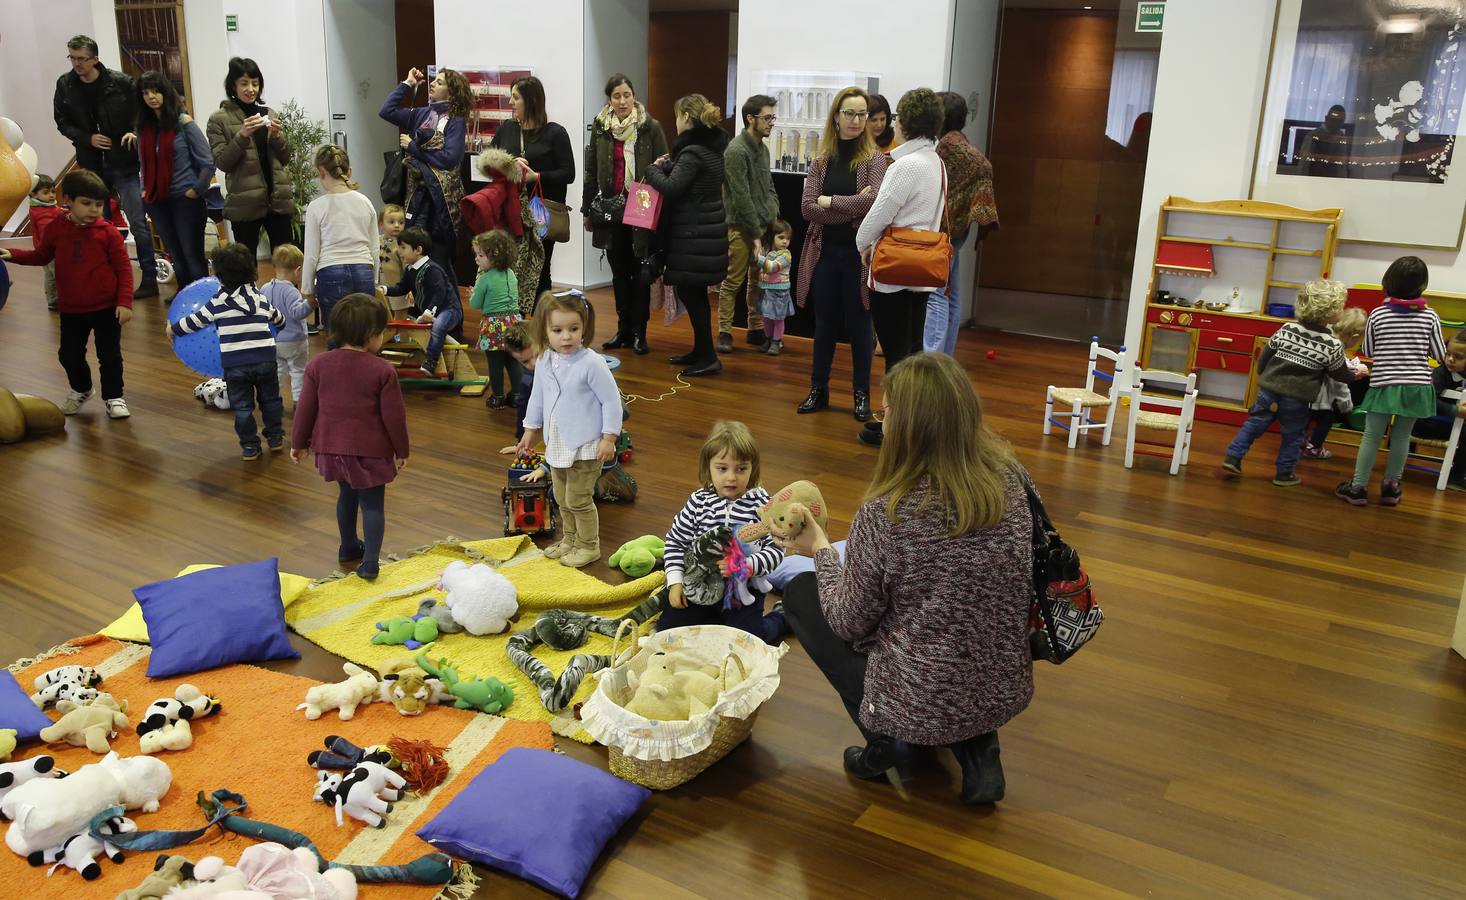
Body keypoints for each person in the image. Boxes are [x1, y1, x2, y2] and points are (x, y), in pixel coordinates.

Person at [773, 353, 1034, 804]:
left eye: (886, 410)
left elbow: (847, 622)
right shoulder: (1012, 480)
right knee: (951, 618)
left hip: (918, 696)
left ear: (909, 424)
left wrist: (819, 548)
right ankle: (979, 748)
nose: (882, 420)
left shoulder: (887, 513)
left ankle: (886, 739)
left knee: (800, 594)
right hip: (999, 681)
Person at [290, 293, 410, 581]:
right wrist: (401, 449)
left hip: (331, 448)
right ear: (371, 336)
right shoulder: (383, 370)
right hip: (369, 451)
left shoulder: (318, 365)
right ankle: (369, 563)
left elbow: (306, 408)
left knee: (346, 495)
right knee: (372, 504)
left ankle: (347, 546)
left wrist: (298, 443)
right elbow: (394, 417)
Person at [855, 88, 949, 448]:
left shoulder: (905, 165)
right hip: (922, 267)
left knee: (896, 354)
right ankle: (913, 423)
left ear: (904, 122)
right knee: (911, 349)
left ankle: (895, 425)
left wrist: (862, 246)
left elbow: (878, 215)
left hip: (893, 267)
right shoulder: (935, 162)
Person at [0, 170, 134, 418]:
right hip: (72, 308)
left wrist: (125, 302)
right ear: (69, 201)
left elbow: (124, 270)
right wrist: (14, 255)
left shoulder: (109, 233)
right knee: (69, 354)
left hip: (106, 308)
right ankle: (81, 389)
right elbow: (41, 255)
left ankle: (114, 396)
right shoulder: (56, 229)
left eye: (98, 204)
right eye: (86, 203)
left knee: (110, 356)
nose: (94, 210)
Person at [796, 86, 888, 421]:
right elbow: (807, 209)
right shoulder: (821, 160)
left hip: (858, 257)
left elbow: (874, 201)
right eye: (849, 113)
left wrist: (829, 202)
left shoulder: (875, 160)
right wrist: (851, 207)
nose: (856, 120)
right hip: (824, 254)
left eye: (861, 114)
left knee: (860, 326)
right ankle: (818, 390)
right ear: (836, 116)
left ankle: (861, 394)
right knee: (824, 326)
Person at [516, 291, 623, 568]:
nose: (566, 337)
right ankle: (570, 539)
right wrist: (529, 429)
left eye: (573, 329)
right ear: (544, 330)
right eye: (558, 330)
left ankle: (589, 545)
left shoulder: (591, 363)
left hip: (587, 443)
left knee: (578, 498)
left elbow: (611, 402)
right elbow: (537, 397)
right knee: (561, 496)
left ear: (584, 328)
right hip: (558, 442)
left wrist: (609, 437)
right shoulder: (544, 360)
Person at [1222, 280, 1363, 486]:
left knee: (1254, 424)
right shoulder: (1331, 345)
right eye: (1340, 306)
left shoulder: (1286, 328)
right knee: (1294, 436)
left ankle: (1233, 457)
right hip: (1297, 399)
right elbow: (1338, 373)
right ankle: (1284, 473)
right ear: (1330, 313)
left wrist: (1265, 377)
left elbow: (1265, 356)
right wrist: (1355, 375)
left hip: (1268, 391)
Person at [658, 420, 788, 644]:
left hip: (743, 593)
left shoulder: (762, 505)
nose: (731, 477)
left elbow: (776, 550)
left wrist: (744, 566)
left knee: (750, 641)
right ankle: (713, 620)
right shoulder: (698, 502)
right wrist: (675, 582)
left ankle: (782, 617)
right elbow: (675, 543)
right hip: (700, 587)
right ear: (707, 467)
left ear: (752, 469)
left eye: (741, 469)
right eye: (722, 468)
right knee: (666, 630)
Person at [53, 35, 158, 298]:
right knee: (100, 226)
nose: (76, 63)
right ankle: (108, 280)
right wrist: (86, 137)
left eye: (81, 58)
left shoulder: (121, 83)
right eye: (72, 57)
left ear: (95, 59)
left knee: (137, 222)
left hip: (123, 162)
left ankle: (149, 278)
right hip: (91, 165)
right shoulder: (65, 85)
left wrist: (134, 132)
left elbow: (141, 114)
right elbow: (62, 121)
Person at [1338, 257, 1447, 506]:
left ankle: (1358, 487)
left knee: (1372, 436)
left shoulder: (1378, 315)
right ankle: (1391, 487)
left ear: (1387, 283)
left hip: (1386, 383)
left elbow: (1369, 350)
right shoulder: (1430, 316)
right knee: (1401, 437)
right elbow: (1440, 355)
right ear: (1422, 286)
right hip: (1417, 386)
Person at [170, 243, 286, 459]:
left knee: (242, 408)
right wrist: (272, 331)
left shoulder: (218, 302)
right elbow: (280, 320)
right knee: (271, 401)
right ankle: (275, 437)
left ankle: (250, 446)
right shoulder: (259, 298)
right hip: (265, 360)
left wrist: (173, 329)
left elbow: (195, 322)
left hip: (236, 364)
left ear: (219, 277)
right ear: (253, 271)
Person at [643, 93, 730, 377]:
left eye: (678, 115)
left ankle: (707, 356)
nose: (675, 121)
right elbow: (689, 180)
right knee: (694, 294)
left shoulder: (692, 153)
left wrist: (652, 169)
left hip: (694, 234)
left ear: (687, 119)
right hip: (705, 231)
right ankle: (702, 351)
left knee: (692, 294)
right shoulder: (712, 150)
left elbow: (671, 187)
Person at [584, 74, 669, 353]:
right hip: (610, 208)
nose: (622, 101)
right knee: (618, 272)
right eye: (617, 96)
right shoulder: (600, 127)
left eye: (627, 95)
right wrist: (587, 210)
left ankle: (639, 332)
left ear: (634, 96)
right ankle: (622, 330)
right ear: (609, 99)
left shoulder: (650, 127)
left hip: (641, 205)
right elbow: (591, 170)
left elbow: (665, 168)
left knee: (640, 272)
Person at [379, 66, 472, 281]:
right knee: (416, 258)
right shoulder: (422, 113)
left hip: (440, 203)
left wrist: (414, 148)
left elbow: (449, 159)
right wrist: (408, 83)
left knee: (438, 261)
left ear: (452, 92)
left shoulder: (456, 121)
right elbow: (386, 111)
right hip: (417, 197)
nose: (432, 84)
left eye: (439, 83)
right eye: (434, 80)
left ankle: (445, 308)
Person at [926, 91, 998, 356]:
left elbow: (981, 168)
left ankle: (933, 360)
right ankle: (946, 356)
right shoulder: (959, 143)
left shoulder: (947, 147)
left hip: (943, 231)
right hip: (958, 229)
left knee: (936, 293)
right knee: (951, 293)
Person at [492, 75, 574, 297]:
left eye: (516, 97)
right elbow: (488, 162)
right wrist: (508, 164)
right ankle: (514, 322)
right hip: (510, 210)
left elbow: (569, 174)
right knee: (509, 267)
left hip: (541, 211)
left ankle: (540, 323)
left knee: (540, 266)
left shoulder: (555, 133)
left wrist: (535, 176)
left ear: (531, 101)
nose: (510, 103)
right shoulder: (507, 129)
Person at [131, 71, 214, 291]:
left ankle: (203, 299)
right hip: (157, 200)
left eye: (156, 91)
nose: (151, 96)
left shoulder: (183, 122)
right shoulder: (144, 128)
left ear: (166, 92)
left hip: (185, 198)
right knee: (176, 254)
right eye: (146, 92)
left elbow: (207, 161)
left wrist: (196, 190)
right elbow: (143, 164)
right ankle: (184, 296)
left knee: (192, 254)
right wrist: (143, 190)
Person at [207, 57, 293, 260]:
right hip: (244, 203)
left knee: (285, 262)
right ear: (233, 86)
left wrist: (277, 136)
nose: (250, 89)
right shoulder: (219, 119)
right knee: (245, 266)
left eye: (255, 83)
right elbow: (222, 162)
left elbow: (285, 157)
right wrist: (242, 135)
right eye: (244, 83)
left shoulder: (269, 113)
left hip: (277, 200)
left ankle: (286, 293)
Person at [717, 94, 778, 354]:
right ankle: (725, 332)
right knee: (733, 280)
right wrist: (754, 234)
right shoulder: (735, 150)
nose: (771, 123)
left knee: (757, 281)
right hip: (741, 228)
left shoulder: (762, 150)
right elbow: (741, 198)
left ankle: (755, 329)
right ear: (750, 118)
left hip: (761, 227)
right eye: (767, 117)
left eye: (772, 117)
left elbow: (769, 188)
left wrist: (773, 216)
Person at [301, 144, 379, 338]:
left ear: (320, 172)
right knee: (364, 333)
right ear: (349, 171)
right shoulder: (365, 202)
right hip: (363, 271)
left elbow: (311, 254)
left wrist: (307, 289)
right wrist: (374, 280)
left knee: (337, 334)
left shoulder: (316, 207)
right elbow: (374, 248)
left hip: (330, 273)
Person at [461, 148, 540, 317]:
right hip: (515, 240)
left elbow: (475, 303)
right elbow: (514, 218)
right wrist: (532, 176)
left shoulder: (496, 184)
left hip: (498, 238)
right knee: (519, 281)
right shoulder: (511, 186)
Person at [384, 227, 460, 376]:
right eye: (399, 247)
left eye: (403, 247)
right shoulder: (411, 270)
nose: (399, 251)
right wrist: (385, 289)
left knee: (438, 326)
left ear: (418, 249)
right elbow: (402, 288)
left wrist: (429, 311)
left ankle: (431, 361)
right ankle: (447, 343)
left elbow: (440, 292)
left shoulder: (432, 269)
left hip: (449, 310)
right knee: (429, 328)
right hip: (431, 313)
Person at [1303, 307, 1366, 459]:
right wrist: (1346, 405)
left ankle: (1300, 443)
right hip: (1321, 397)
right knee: (1326, 420)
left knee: (1304, 419)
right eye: (1358, 342)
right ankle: (1314, 448)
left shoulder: (1327, 339)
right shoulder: (1338, 349)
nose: (1356, 345)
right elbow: (1340, 382)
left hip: (1306, 391)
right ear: (1354, 336)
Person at [469, 229, 522, 409]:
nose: (476, 258)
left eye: (481, 255)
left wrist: (473, 294)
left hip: (493, 326)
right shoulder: (511, 274)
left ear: (495, 256)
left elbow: (476, 304)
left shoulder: (484, 279)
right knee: (513, 360)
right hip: (514, 323)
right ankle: (516, 395)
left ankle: (497, 397)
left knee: (495, 363)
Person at [1414, 330, 1466, 490]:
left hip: (1454, 426)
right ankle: (1456, 477)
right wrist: (1454, 410)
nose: (1450, 359)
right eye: (1448, 354)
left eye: (1458, 357)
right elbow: (1429, 400)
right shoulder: (1439, 373)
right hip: (1428, 423)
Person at [262, 243, 313, 405]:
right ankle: (298, 401)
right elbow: (297, 313)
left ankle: (272, 399)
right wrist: (310, 304)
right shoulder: (291, 291)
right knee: (298, 371)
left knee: (277, 371)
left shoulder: (264, 288)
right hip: (295, 340)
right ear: (298, 270)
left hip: (274, 340)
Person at [756, 219, 794, 355]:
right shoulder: (768, 252)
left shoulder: (785, 255)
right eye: (781, 237)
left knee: (778, 318)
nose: (785, 241)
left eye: (788, 238)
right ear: (772, 237)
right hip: (766, 289)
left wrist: (757, 258)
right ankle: (768, 339)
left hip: (779, 291)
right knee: (766, 317)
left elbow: (772, 267)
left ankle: (776, 341)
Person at [26, 175, 62, 311]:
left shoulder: (43, 207)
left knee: (50, 275)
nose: (52, 195)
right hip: (51, 249)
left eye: (53, 191)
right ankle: (64, 299)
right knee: (59, 275)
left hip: (43, 249)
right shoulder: (41, 211)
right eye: (46, 192)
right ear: (33, 194)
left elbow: (56, 212)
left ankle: (53, 300)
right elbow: (47, 230)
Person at [378, 203, 407, 315]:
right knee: (383, 313)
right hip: (381, 284)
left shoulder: (403, 245)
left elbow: (407, 267)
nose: (397, 225)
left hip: (398, 286)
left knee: (400, 314)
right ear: (381, 224)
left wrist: (410, 288)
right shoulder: (377, 241)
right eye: (391, 222)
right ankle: (386, 332)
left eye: (401, 222)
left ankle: (401, 333)